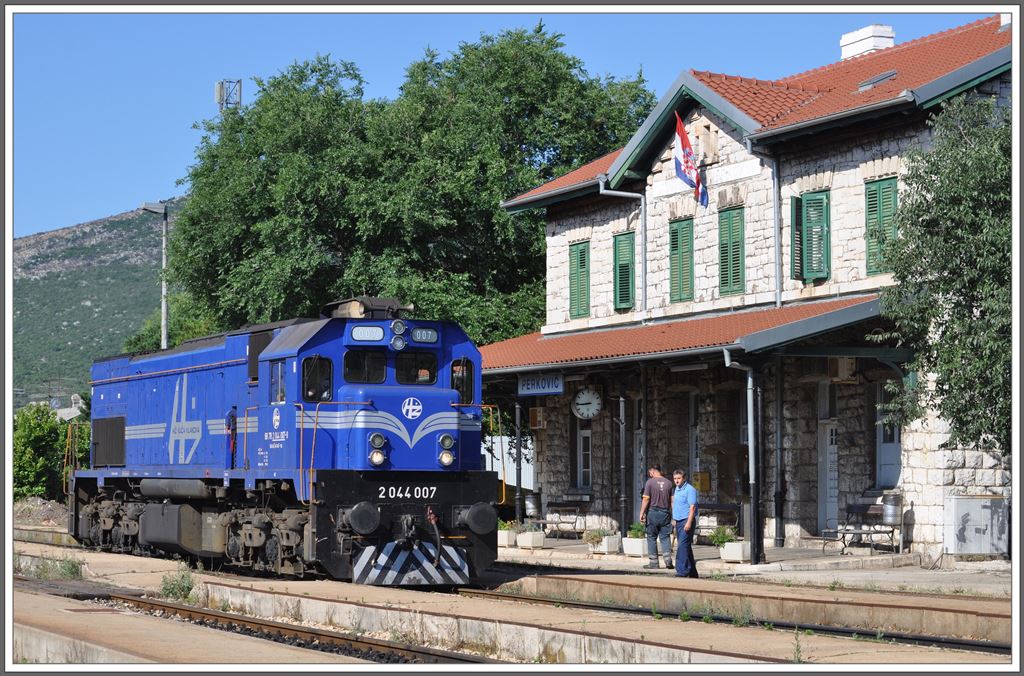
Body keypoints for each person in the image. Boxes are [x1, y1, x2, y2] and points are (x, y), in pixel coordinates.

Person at [639, 464, 674, 569]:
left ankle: (654, 563)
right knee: (665, 537)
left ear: (652, 471)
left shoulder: (649, 482)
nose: (650, 475)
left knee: (651, 537)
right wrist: (673, 514)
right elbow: (672, 500)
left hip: (653, 513)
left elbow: (646, 499)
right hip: (665, 513)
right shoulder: (669, 483)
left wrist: (641, 513)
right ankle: (668, 561)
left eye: (650, 473)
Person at [672, 469, 699, 578]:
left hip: (686, 520)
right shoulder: (677, 489)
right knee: (686, 546)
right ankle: (693, 572)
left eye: (678, 478)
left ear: (684, 478)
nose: (676, 481)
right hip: (678, 520)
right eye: (675, 479)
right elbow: (675, 504)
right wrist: (674, 519)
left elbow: (692, 507)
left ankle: (682, 571)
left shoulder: (690, 489)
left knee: (682, 546)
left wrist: (689, 522)